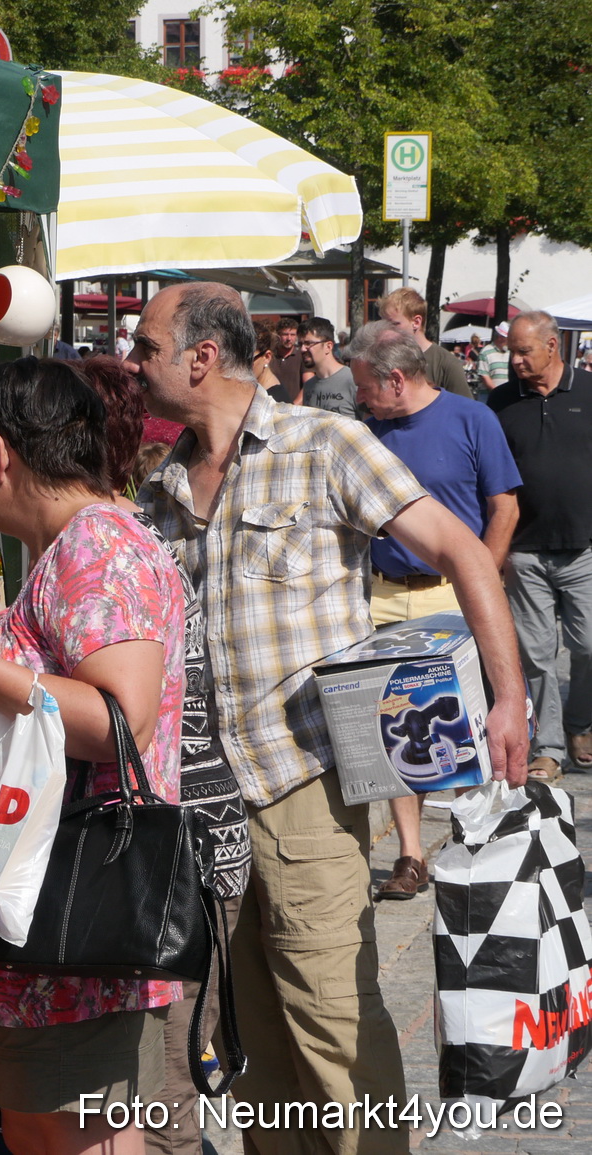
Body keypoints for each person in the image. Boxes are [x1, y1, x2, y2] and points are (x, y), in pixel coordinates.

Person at [128, 282, 528, 1155]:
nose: (134, 364)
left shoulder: (324, 444)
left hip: (301, 784)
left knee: (335, 1030)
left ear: (201, 357)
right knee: (257, 1046)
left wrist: (508, 697)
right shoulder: (159, 482)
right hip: (205, 808)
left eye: (145, 347)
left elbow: (463, 549)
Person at [0, 356, 186, 1155]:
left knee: (77, 1134)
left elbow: (114, 718)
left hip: (75, 930)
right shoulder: (76, 544)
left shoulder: (97, 546)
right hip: (44, 938)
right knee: (46, 1127)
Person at [76, 358, 251, 1155]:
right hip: (161, 849)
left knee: (163, 1091)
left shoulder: (122, 555)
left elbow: (127, 720)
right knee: (143, 1089)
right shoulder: (120, 537)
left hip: (173, 853)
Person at [344, 322, 521, 899]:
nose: (358, 396)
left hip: (454, 592)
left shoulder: (474, 419)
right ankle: (410, 856)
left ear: (397, 378)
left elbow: (504, 509)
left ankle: (475, 843)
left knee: (465, 723)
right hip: (385, 593)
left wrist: (482, 583)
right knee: (400, 724)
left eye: (366, 385)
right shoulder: (365, 432)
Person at [488, 311, 592, 778]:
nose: (515, 361)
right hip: (524, 550)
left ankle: (580, 722)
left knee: (589, 645)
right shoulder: (501, 402)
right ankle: (548, 747)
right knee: (536, 656)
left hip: (584, 548)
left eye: (523, 351)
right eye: (511, 351)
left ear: (553, 346)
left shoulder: (589, 393)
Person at [378, 287, 474, 397]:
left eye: (394, 324)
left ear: (416, 322)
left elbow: (465, 410)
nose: (386, 330)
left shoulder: (446, 364)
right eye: (384, 324)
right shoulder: (382, 360)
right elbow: (368, 411)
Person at [296, 316, 356, 417]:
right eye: (300, 344)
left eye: (308, 343)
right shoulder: (309, 386)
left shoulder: (352, 380)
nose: (302, 349)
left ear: (328, 346)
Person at [269, 315, 304, 399]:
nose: (289, 338)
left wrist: (295, 405)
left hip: (294, 408)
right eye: (285, 334)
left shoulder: (302, 356)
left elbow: (308, 385)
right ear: (278, 335)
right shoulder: (269, 355)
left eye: (292, 335)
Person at [252, 320, 288, 399]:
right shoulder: (255, 392)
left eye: (248, 360)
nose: (240, 367)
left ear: (267, 357)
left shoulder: (276, 401)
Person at [477, 322, 511, 396]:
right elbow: (484, 376)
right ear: (500, 337)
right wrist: (498, 392)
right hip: (488, 396)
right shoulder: (485, 352)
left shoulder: (510, 352)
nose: (509, 341)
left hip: (506, 396)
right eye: (507, 339)